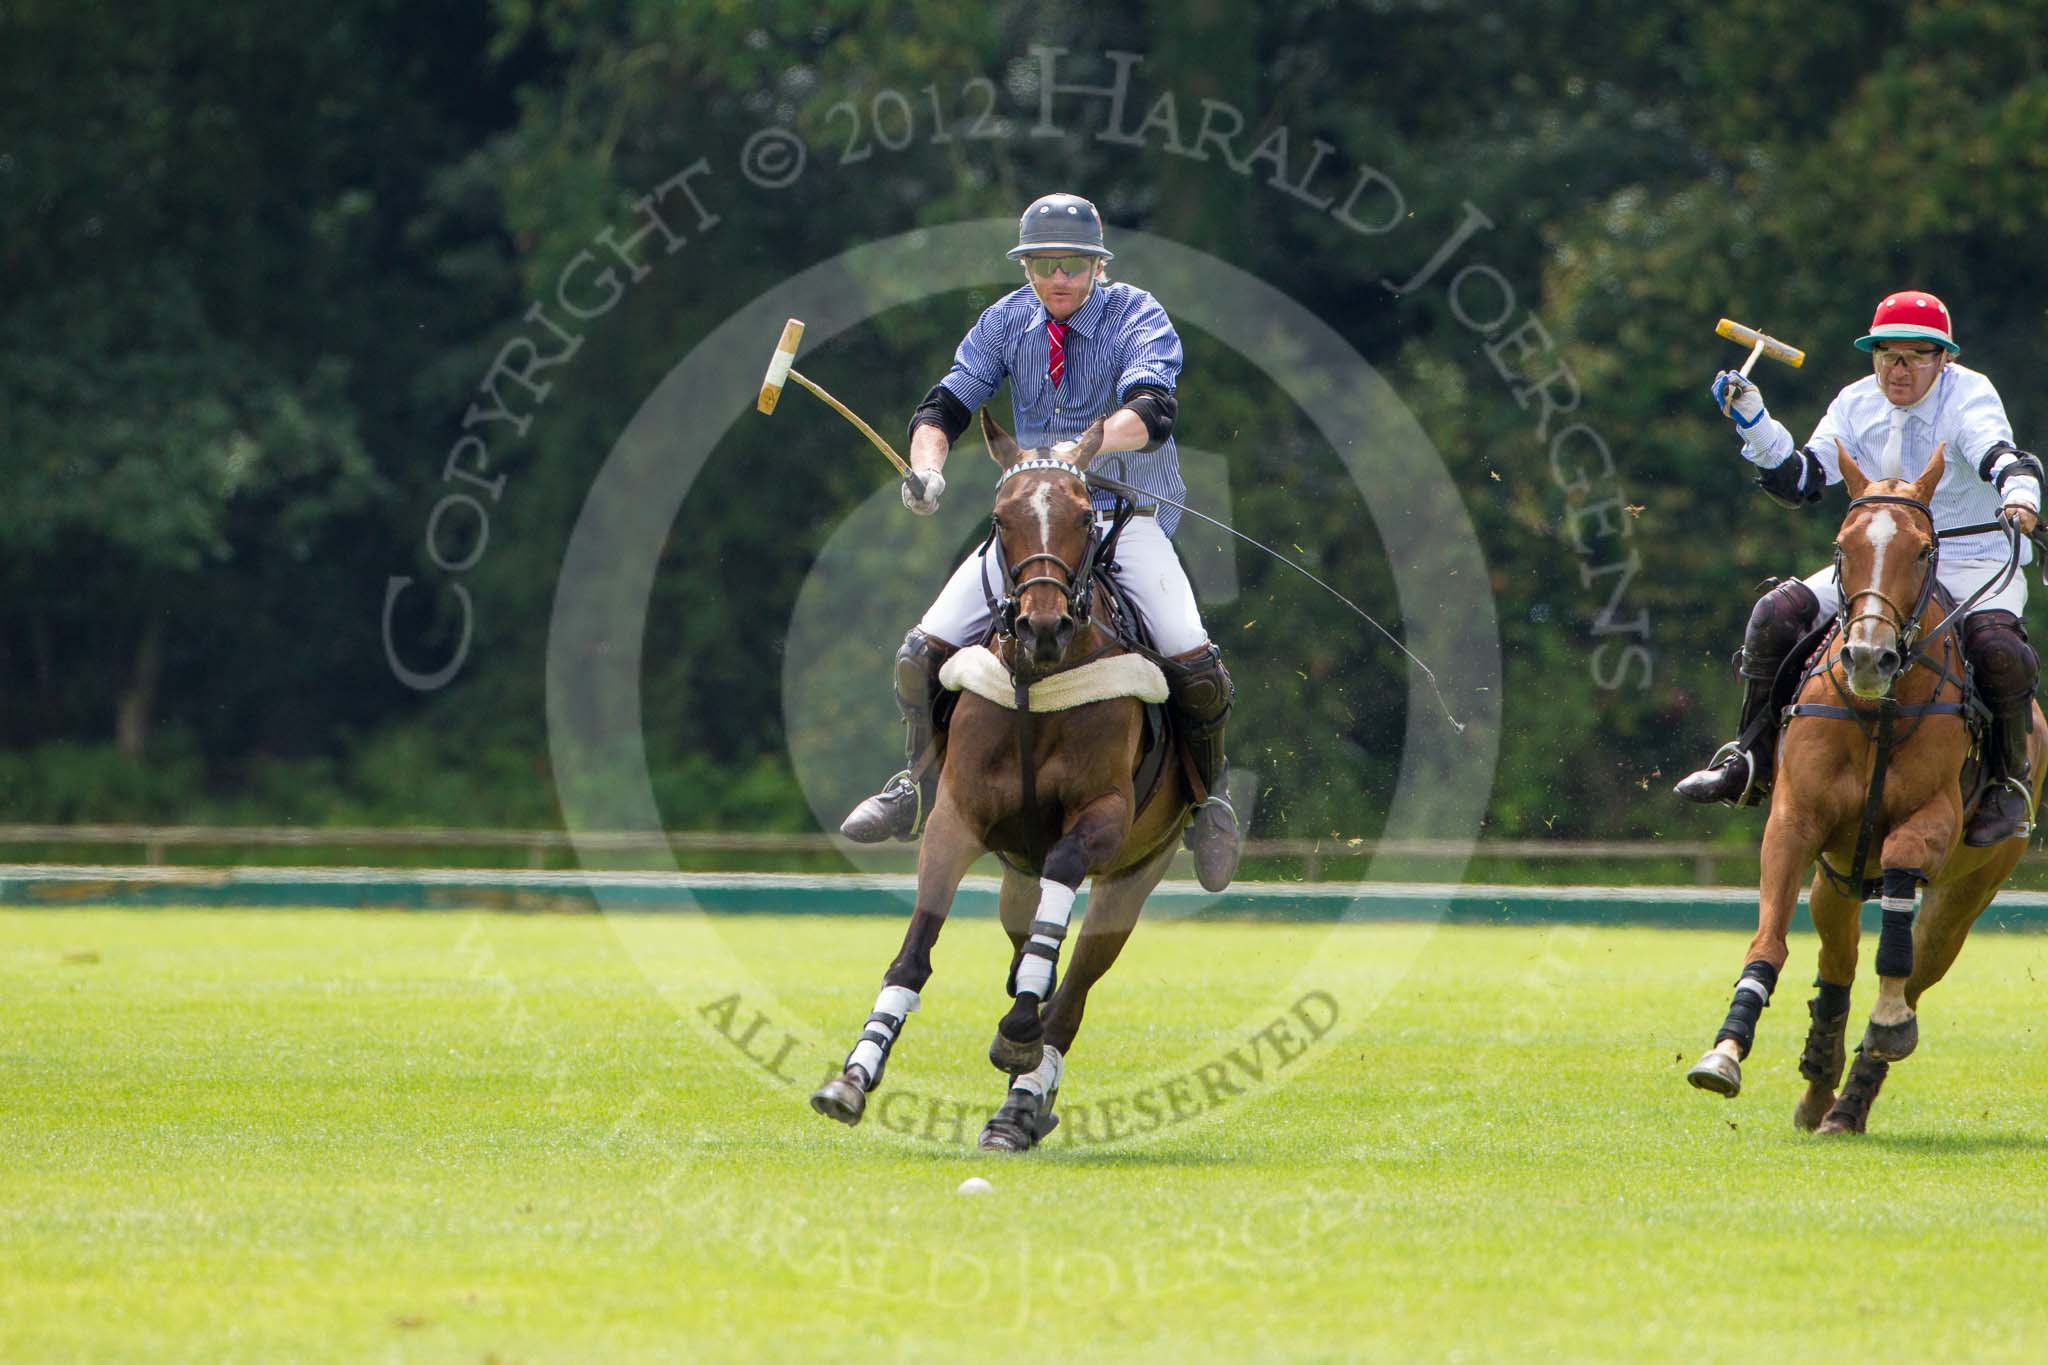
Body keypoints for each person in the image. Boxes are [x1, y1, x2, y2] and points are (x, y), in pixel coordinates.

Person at [838, 191, 1242, 891]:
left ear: (1097, 265)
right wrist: (927, 469)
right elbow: (945, 405)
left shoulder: (1136, 315)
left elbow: (1154, 410)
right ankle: (916, 785)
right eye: (1045, 264)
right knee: (919, 655)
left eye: (1075, 265)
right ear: (1027, 267)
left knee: (1193, 658)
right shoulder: (1007, 322)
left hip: (1126, 520)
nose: (1060, 278)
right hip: (1038, 532)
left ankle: (1208, 802)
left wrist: (1074, 449)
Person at [1675, 290, 2042, 844]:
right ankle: (1748, 758)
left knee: (1999, 650)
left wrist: (2020, 496)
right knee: (1775, 612)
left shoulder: (1969, 395)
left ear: (1945, 358)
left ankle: (2008, 783)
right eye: (1885, 354)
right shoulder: (1854, 401)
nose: (1898, 369)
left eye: (1916, 355)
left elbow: (2002, 456)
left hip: (1970, 557)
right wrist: (1754, 420)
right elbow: (1802, 481)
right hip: (1880, 564)